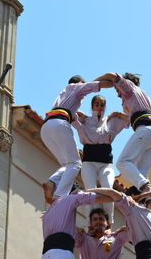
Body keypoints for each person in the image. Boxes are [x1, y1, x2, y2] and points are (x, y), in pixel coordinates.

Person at [40, 75, 114, 203]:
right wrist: (117, 82)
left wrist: (81, 117)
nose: (84, 96)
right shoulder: (77, 88)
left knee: (67, 164)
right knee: (75, 163)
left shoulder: (63, 95)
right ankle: (60, 196)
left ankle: (52, 183)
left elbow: (74, 118)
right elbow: (100, 84)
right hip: (60, 123)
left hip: (46, 127)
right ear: (79, 83)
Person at [94, 72, 151, 200]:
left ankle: (146, 188)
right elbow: (131, 118)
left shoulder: (129, 87)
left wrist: (91, 84)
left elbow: (112, 75)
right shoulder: (142, 95)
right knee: (141, 174)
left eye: (117, 90)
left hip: (145, 130)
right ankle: (148, 201)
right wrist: (118, 114)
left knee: (122, 162)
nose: (118, 94)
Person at [72, 95, 129, 225]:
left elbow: (130, 119)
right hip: (89, 162)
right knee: (90, 190)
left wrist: (118, 114)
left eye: (102, 104)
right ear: (92, 106)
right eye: (97, 104)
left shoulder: (111, 121)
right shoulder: (84, 120)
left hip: (106, 163)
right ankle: (90, 223)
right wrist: (81, 116)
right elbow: (70, 113)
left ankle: (109, 223)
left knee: (108, 188)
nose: (99, 107)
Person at [90, 187, 151, 259]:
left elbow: (112, 193)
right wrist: (117, 232)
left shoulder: (133, 209)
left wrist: (84, 192)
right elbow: (128, 233)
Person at [41, 189, 114, 259]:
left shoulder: (51, 211)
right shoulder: (72, 199)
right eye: (95, 219)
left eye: (101, 219)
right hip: (60, 252)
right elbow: (100, 198)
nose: (98, 222)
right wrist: (116, 198)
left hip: (46, 254)